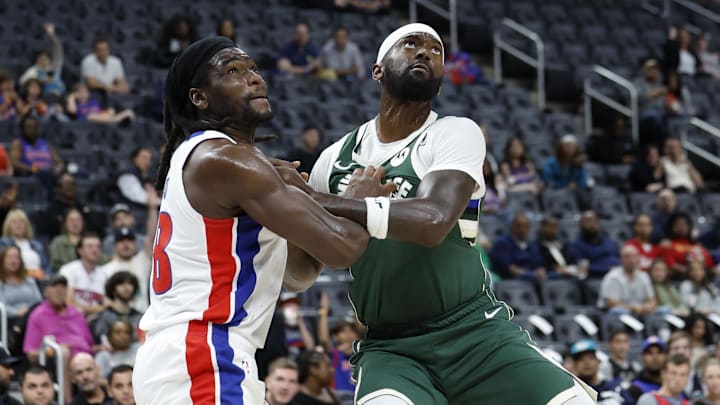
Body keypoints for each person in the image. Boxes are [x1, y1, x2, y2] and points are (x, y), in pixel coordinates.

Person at [307, 23, 595, 404]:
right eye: (411, 44)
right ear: (377, 69)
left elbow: (433, 222)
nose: (425, 52)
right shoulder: (333, 159)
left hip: (475, 331)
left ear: (441, 80)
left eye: (436, 50)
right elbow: (306, 265)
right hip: (393, 347)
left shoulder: (455, 133)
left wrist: (336, 203)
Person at [132, 37, 370, 405]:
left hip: (198, 355)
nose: (254, 78)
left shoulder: (220, 161)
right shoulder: (224, 159)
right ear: (200, 97)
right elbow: (345, 248)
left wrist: (297, 203)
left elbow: (299, 274)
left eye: (253, 68)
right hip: (204, 352)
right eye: (232, 71)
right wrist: (359, 199)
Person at [58, 232, 107, 318]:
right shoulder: (68, 270)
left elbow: (108, 304)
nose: (95, 250)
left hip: (96, 319)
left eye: (98, 247)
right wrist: (95, 310)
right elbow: (67, 302)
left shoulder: (104, 274)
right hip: (70, 318)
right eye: (89, 246)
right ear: (80, 250)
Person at [598, 244, 657, 315]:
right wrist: (634, 308)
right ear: (621, 259)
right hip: (615, 317)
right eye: (627, 257)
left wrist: (648, 306)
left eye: (634, 256)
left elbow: (651, 299)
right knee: (618, 311)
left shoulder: (643, 276)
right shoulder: (613, 277)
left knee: (663, 311)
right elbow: (611, 303)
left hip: (639, 314)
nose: (631, 260)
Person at [489, 213, 548, 282]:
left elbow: (539, 264)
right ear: (512, 226)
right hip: (509, 280)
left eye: (526, 226)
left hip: (532, 279)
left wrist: (541, 272)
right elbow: (510, 269)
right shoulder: (502, 243)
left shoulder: (532, 245)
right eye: (519, 226)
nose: (522, 230)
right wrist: (531, 275)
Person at [568, 339, 626, 404]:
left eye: (591, 357)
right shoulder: (571, 395)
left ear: (598, 361)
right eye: (581, 359)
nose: (587, 362)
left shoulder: (615, 389)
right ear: (574, 365)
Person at [91, 271, 142, 344]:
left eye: (130, 284)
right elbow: (100, 341)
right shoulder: (104, 316)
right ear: (113, 288)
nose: (126, 287)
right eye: (121, 284)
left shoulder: (139, 317)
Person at [0, 208, 49, 278]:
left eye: (21, 222)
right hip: (15, 279)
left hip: (39, 279)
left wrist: (46, 276)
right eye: (14, 222)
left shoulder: (36, 245)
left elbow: (46, 267)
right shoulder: (2, 243)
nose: (18, 225)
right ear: (8, 226)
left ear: (26, 226)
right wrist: (28, 273)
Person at [20, 22, 66, 97]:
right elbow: (23, 82)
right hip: (45, 98)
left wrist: (52, 35)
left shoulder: (53, 68)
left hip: (61, 97)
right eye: (41, 59)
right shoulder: (34, 70)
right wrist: (41, 81)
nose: (44, 61)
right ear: (36, 61)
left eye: (46, 58)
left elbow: (58, 50)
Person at [570, 211, 621, 278]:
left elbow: (620, 259)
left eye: (594, 221)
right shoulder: (577, 246)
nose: (592, 224)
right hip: (597, 279)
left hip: (619, 275)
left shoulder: (609, 242)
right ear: (581, 224)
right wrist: (608, 270)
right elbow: (582, 268)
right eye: (588, 221)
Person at [0, 245, 42, 319]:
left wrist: (28, 310)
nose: (13, 261)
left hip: (31, 317)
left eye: (16, 258)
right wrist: (16, 312)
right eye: (9, 258)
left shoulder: (29, 280)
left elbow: (38, 301)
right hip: (8, 320)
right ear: (2, 260)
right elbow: (1, 306)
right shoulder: (1, 283)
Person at [626, 336, 668, 403]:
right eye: (650, 353)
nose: (655, 357)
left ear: (666, 356)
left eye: (659, 352)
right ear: (642, 357)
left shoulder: (673, 384)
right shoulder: (635, 388)